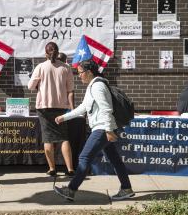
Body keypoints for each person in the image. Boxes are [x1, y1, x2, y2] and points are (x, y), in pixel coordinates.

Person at [53, 59, 134, 201]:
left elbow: (106, 109)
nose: (79, 76)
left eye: (80, 72)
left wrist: (108, 130)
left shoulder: (97, 86)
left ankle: (71, 190)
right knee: (114, 159)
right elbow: (83, 107)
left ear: (89, 72)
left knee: (84, 157)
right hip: (104, 128)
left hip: (102, 128)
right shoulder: (92, 86)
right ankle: (126, 188)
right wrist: (64, 117)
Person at [28, 42, 75, 177]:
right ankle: (70, 169)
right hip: (61, 106)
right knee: (64, 138)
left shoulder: (41, 67)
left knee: (48, 138)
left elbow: (31, 86)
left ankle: (52, 169)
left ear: (45, 53)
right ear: (57, 52)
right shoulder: (66, 67)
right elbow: (70, 88)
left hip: (44, 107)